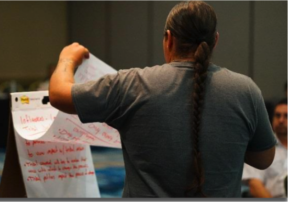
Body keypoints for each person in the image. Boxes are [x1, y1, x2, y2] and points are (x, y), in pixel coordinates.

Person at [49, 0, 276, 197]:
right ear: (214, 41)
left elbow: (58, 95)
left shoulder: (131, 85)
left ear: (169, 39)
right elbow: (264, 159)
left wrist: (67, 58)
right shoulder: (247, 91)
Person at [242, 98, 288, 198]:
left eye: (286, 116)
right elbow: (254, 185)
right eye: (277, 115)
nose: (281, 120)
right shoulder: (262, 146)